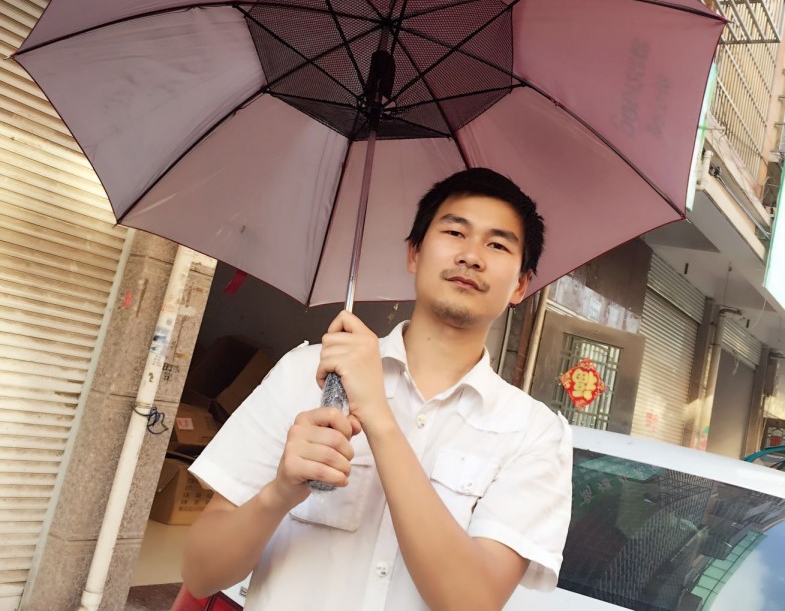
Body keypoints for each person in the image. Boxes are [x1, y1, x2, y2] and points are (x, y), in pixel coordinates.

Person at [183, 168, 572, 610]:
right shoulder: (305, 373)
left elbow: (472, 602)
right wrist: (279, 493)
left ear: (521, 284)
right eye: (454, 232)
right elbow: (200, 572)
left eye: (497, 244)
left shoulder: (535, 433)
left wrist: (379, 419)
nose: (472, 256)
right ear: (414, 252)